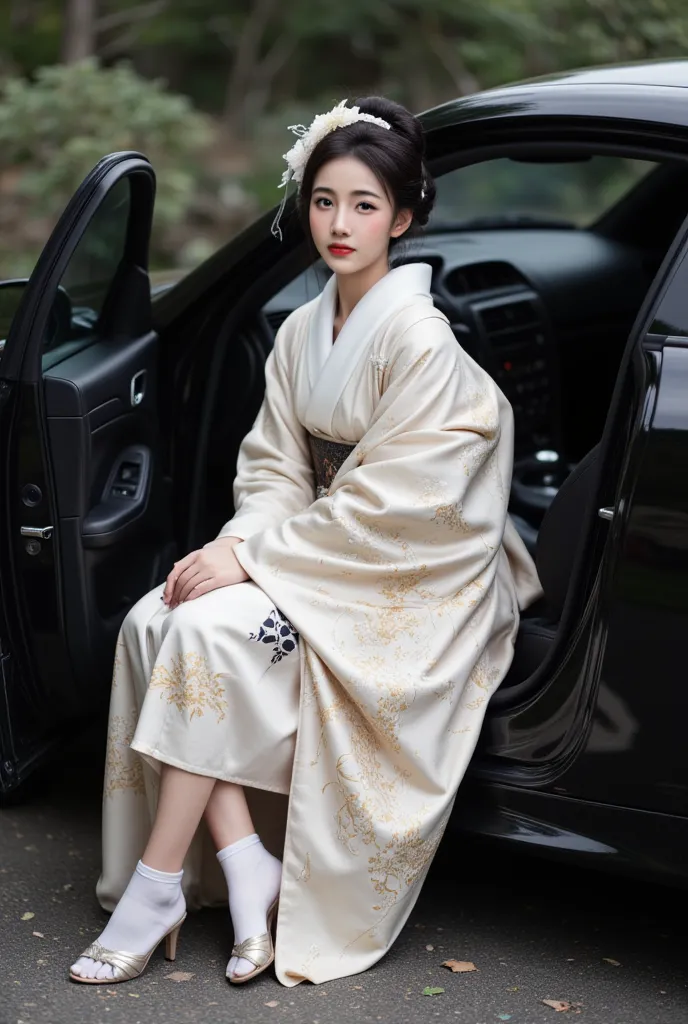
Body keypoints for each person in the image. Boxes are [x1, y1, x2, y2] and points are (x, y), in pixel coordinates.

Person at [68, 96, 541, 989]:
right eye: (324, 200)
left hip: (410, 576)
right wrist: (245, 540)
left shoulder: (420, 345)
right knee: (156, 619)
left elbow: (399, 507)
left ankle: (157, 885)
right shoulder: (300, 328)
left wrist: (250, 560)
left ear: (402, 217)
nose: (340, 223)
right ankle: (247, 868)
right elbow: (274, 469)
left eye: (365, 205)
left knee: (208, 632)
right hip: (320, 550)